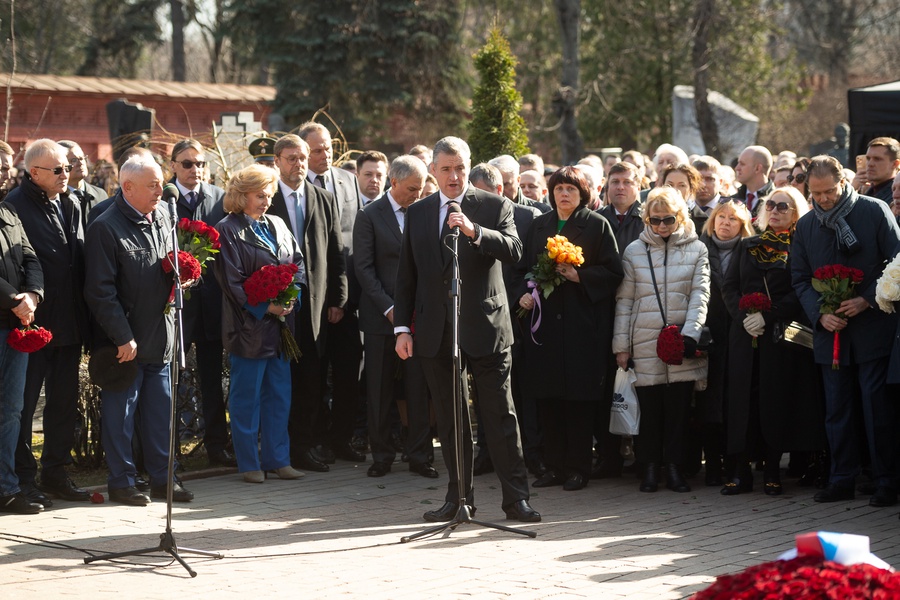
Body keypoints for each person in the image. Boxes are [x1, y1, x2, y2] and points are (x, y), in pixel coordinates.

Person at [394, 136, 540, 523]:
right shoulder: (420, 211)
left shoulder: (495, 204)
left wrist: (475, 231)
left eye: (460, 168)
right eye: (445, 169)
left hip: (487, 327)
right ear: (434, 172)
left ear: (468, 165)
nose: (454, 176)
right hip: (435, 331)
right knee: (451, 417)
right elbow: (407, 276)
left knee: (499, 415)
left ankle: (516, 499)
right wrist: (402, 329)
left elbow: (513, 249)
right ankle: (459, 498)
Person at [83, 155, 194, 506]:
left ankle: (164, 479)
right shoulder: (106, 226)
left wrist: (184, 276)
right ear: (127, 187)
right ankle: (122, 482)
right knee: (121, 417)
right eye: (152, 185)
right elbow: (100, 290)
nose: (161, 190)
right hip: (125, 346)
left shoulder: (163, 215)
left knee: (161, 415)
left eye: (161, 182)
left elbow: (164, 264)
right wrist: (121, 335)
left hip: (160, 337)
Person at [791, 155, 900, 506]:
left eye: (829, 191)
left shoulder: (873, 211)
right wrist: (820, 314)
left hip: (873, 327)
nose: (823, 199)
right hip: (830, 330)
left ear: (844, 182)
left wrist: (868, 299)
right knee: (837, 409)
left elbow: (897, 261)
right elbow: (799, 277)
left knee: (876, 407)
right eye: (816, 193)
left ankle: (886, 480)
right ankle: (841, 478)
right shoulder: (807, 225)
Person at [515, 166, 623, 491]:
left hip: (581, 327)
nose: (564, 195)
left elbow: (614, 272)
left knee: (578, 401)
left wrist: (581, 276)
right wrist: (523, 294)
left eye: (571, 190)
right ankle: (554, 466)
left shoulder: (596, 225)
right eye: (559, 188)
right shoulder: (539, 225)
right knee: (549, 399)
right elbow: (522, 269)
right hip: (545, 327)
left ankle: (578, 467)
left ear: (583, 194)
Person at [720, 187, 823, 496]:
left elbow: (800, 291)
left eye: (784, 206)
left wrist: (769, 315)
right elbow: (729, 287)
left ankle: (771, 471)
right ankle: (740, 472)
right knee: (743, 401)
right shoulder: (747, 244)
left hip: (779, 335)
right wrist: (745, 319)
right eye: (771, 205)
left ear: (795, 212)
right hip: (745, 333)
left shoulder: (800, 248)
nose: (775, 210)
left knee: (774, 401)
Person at [6, 139, 91, 507]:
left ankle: (55, 471)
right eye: (57, 170)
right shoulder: (14, 206)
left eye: (67, 168)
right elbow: (22, 263)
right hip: (33, 324)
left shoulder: (71, 201)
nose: (65, 174)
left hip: (69, 322)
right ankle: (24, 477)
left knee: (63, 404)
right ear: (34, 172)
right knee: (22, 407)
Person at [613, 187, 710, 494]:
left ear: (680, 216)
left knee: (680, 411)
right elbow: (625, 301)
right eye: (655, 220)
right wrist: (621, 347)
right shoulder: (633, 251)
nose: (662, 226)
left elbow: (700, 295)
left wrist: (690, 334)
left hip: (681, 342)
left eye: (668, 219)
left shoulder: (697, 249)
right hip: (644, 339)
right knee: (650, 410)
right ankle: (650, 468)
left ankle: (675, 468)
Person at [214, 165, 306, 484]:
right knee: (247, 397)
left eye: (269, 195)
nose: (266, 201)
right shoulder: (227, 229)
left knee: (279, 394)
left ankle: (278, 459)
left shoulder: (279, 224)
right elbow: (231, 281)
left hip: (281, 327)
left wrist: (291, 297)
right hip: (248, 327)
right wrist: (267, 305)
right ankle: (249, 462)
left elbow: (297, 264)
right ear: (241, 196)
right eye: (259, 195)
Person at [267, 134, 346, 473]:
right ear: (277, 162)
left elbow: (335, 250)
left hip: (315, 305)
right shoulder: (265, 197)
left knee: (312, 377)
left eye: (302, 157)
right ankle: (277, 447)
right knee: (281, 380)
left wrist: (338, 297)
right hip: (274, 306)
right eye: (290, 158)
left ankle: (304, 444)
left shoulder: (322, 197)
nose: (298, 164)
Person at [353, 155, 436, 479]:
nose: (417, 194)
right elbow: (364, 268)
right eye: (412, 188)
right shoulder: (369, 215)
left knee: (418, 388)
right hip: (380, 318)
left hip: (417, 318)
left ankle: (419, 455)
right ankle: (382, 455)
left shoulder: (423, 213)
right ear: (394, 182)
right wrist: (389, 309)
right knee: (379, 389)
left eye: (420, 188)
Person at [298, 122, 365, 465]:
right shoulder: (295, 190)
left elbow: (349, 239)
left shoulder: (347, 179)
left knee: (347, 370)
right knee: (312, 372)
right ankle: (313, 439)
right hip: (312, 299)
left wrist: (343, 296)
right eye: (318, 150)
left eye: (329, 148)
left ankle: (341, 438)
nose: (326, 156)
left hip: (348, 294)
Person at [168, 139, 235, 468]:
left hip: (209, 303)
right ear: (174, 166)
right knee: (171, 379)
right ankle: (169, 451)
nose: (195, 170)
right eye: (187, 164)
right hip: (174, 304)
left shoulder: (218, 199)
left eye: (200, 164)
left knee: (210, 380)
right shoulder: (164, 197)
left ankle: (216, 446)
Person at [697, 200, 754, 486]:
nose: (726, 222)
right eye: (721, 216)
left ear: (743, 225)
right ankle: (713, 463)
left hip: (739, 332)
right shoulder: (698, 248)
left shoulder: (751, 249)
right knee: (707, 400)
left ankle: (735, 461)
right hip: (707, 333)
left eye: (733, 218)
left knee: (733, 399)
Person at [0, 194, 44, 514]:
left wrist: (32, 293)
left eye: (6, 168)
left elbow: (30, 258)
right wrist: (13, 298)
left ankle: (7, 488)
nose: (5, 173)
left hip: (15, 326)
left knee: (12, 409)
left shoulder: (9, 210)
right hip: (10, 311)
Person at [58, 140, 108, 231]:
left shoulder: (100, 195)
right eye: (73, 160)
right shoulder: (55, 198)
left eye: (82, 158)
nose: (80, 163)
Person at [732, 145, 774, 218]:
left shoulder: (775, 202)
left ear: (757, 168)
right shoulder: (731, 201)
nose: (737, 168)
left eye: (742, 164)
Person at [860, 137, 900, 204]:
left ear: (895, 164)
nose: (870, 164)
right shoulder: (867, 191)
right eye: (868, 158)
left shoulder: (896, 196)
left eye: (877, 159)